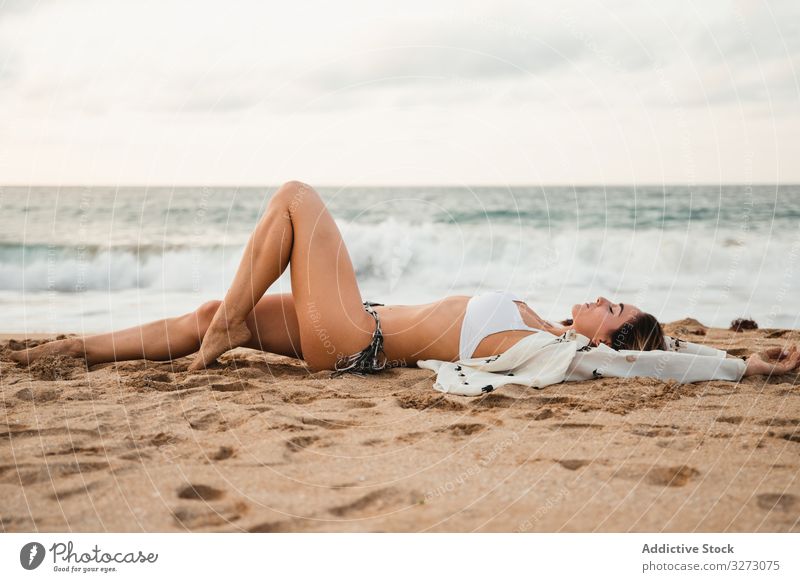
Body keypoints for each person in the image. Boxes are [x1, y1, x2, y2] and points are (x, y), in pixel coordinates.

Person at [9, 181, 800, 385]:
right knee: (224, 307)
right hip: (356, 331)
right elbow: (669, 344)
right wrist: (718, 342)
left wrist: (746, 368)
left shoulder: (562, 354)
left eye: (613, 307)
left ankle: (217, 340)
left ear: (610, 337)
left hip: (355, 336)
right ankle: (77, 349)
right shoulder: (549, 331)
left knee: (294, 198)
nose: (600, 296)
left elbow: (657, 362)